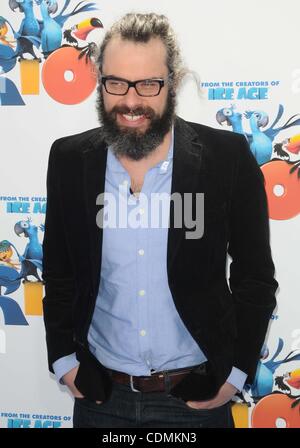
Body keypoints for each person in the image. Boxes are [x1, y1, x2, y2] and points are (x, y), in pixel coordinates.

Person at [42, 12, 278, 428]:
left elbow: (255, 276)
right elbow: (60, 271)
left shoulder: (226, 158)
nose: (131, 101)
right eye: (116, 82)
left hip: (196, 399)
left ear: (172, 83)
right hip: (101, 398)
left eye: (149, 84)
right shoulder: (68, 160)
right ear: (99, 81)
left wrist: (237, 372)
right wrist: (64, 359)